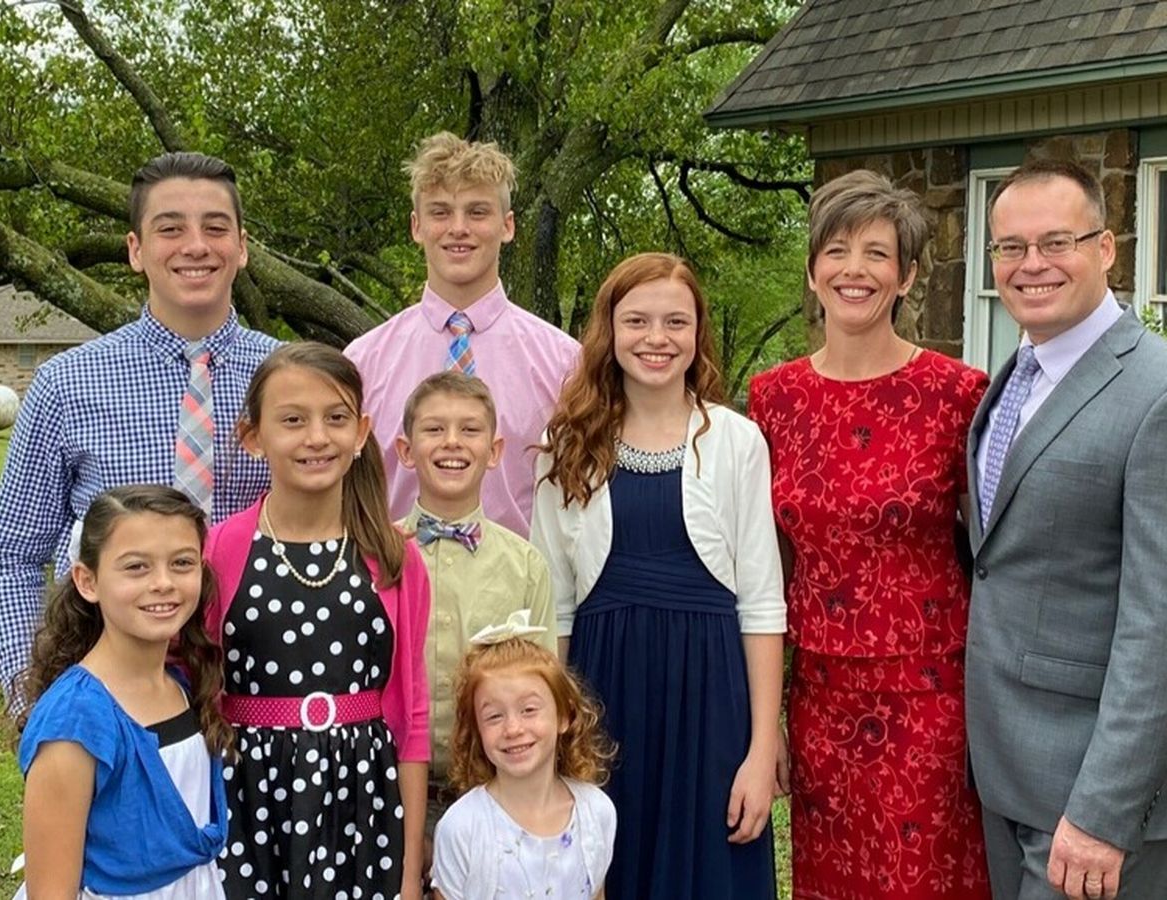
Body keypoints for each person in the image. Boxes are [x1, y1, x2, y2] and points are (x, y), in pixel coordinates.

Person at [747, 169, 991, 898]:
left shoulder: (957, 394)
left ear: (906, 276)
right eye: (838, 251)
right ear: (812, 271)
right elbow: (765, 570)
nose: (855, 269)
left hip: (930, 695)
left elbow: (994, 549)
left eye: (877, 253)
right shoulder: (774, 398)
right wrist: (768, 721)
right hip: (819, 696)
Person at [0, 151, 279, 706]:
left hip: (270, 699)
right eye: (170, 228)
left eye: (215, 228)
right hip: (117, 701)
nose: (196, 245)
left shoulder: (292, 382)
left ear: (242, 247)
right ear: (136, 250)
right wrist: (36, 701)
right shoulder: (67, 383)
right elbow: (11, 554)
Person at [531, 252, 785, 898]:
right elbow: (553, 608)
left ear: (698, 333)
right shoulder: (567, 448)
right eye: (637, 320)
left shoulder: (737, 442)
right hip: (601, 700)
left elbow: (761, 606)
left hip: (711, 706)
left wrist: (761, 751)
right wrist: (550, 741)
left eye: (676, 321)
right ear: (609, 331)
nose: (657, 338)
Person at [964, 158, 1167, 900]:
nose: (1032, 264)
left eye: (1056, 242)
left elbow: (1158, 624)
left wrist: (1104, 812)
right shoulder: (1013, 377)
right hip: (1005, 776)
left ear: (1106, 248)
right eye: (1010, 247)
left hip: (1090, 804)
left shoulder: (1155, 392)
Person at [203, 342, 430, 899]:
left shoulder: (394, 558)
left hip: (362, 804)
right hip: (247, 801)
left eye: (336, 418)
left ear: (361, 432)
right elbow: (194, 689)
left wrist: (407, 871)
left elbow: (411, 715)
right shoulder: (221, 551)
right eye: (292, 420)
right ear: (253, 437)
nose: (317, 437)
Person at [343, 131, 579, 537]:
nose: (458, 228)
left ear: (507, 226)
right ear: (416, 227)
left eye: (477, 212)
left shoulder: (565, 365)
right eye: (440, 212)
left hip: (522, 573)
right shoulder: (362, 362)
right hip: (393, 571)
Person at [14, 485, 232, 898]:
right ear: (88, 581)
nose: (163, 583)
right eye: (136, 567)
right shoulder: (75, 721)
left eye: (182, 563)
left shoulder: (181, 686)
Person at [394, 372, 556, 847]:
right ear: (405, 450)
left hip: (494, 798)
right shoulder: (373, 557)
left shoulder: (526, 566)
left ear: (495, 450)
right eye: (434, 429)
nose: (452, 442)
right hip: (390, 794)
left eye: (469, 429)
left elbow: (543, 693)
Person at [430, 617, 616, 899]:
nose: (513, 729)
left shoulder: (596, 812)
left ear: (564, 716)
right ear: (476, 730)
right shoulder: (462, 828)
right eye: (494, 716)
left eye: (529, 710)